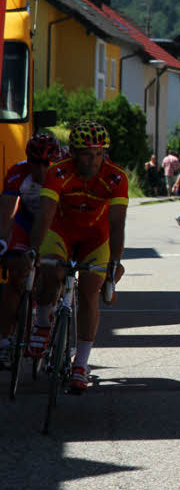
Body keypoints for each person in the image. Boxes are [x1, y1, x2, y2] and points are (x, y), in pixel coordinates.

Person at [27, 121, 128, 393]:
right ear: (73, 152)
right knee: (51, 271)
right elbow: (45, 214)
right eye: (86, 154)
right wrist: (34, 251)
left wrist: (115, 263)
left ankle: (81, 363)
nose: (93, 160)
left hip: (96, 237)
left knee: (88, 292)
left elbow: (117, 224)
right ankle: (42, 321)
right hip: (61, 231)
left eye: (99, 154)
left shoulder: (116, 176)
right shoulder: (59, 171)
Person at [0, 132, 61, 367]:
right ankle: (4, 342)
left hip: (56, 224)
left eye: (48, 163)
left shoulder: (63, 174)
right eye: (36, 163)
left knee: (51, 271)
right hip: (27, 222)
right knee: (15, 277)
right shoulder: (18, 172)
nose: (42, 169)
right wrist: (3, 241)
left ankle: (49, 315)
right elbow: (6, 211)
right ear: (28, 160)